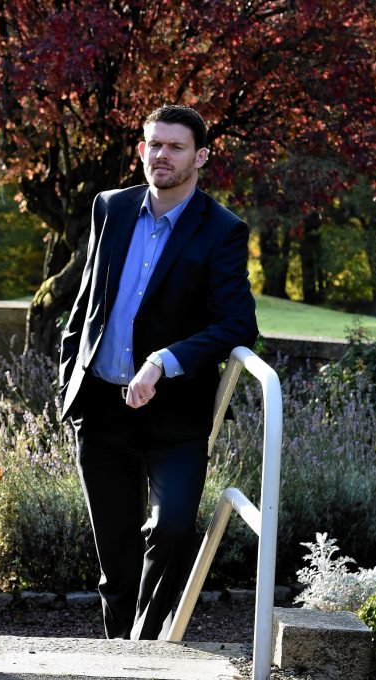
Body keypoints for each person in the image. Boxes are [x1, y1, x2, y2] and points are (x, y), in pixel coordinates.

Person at [58, 105, 258, 640]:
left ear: (201, 156)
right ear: (141, 150)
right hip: (101, 407)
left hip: (175, 415)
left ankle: (146, 650)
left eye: (176, 146)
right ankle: (121, 656)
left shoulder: (222, 230)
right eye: (154, 145)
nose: (162, 155)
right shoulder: (111, 207)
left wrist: (161, 362)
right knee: (116, 560)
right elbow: (87, 300)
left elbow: (238, 324)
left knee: (170, 531)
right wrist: (67, 376)